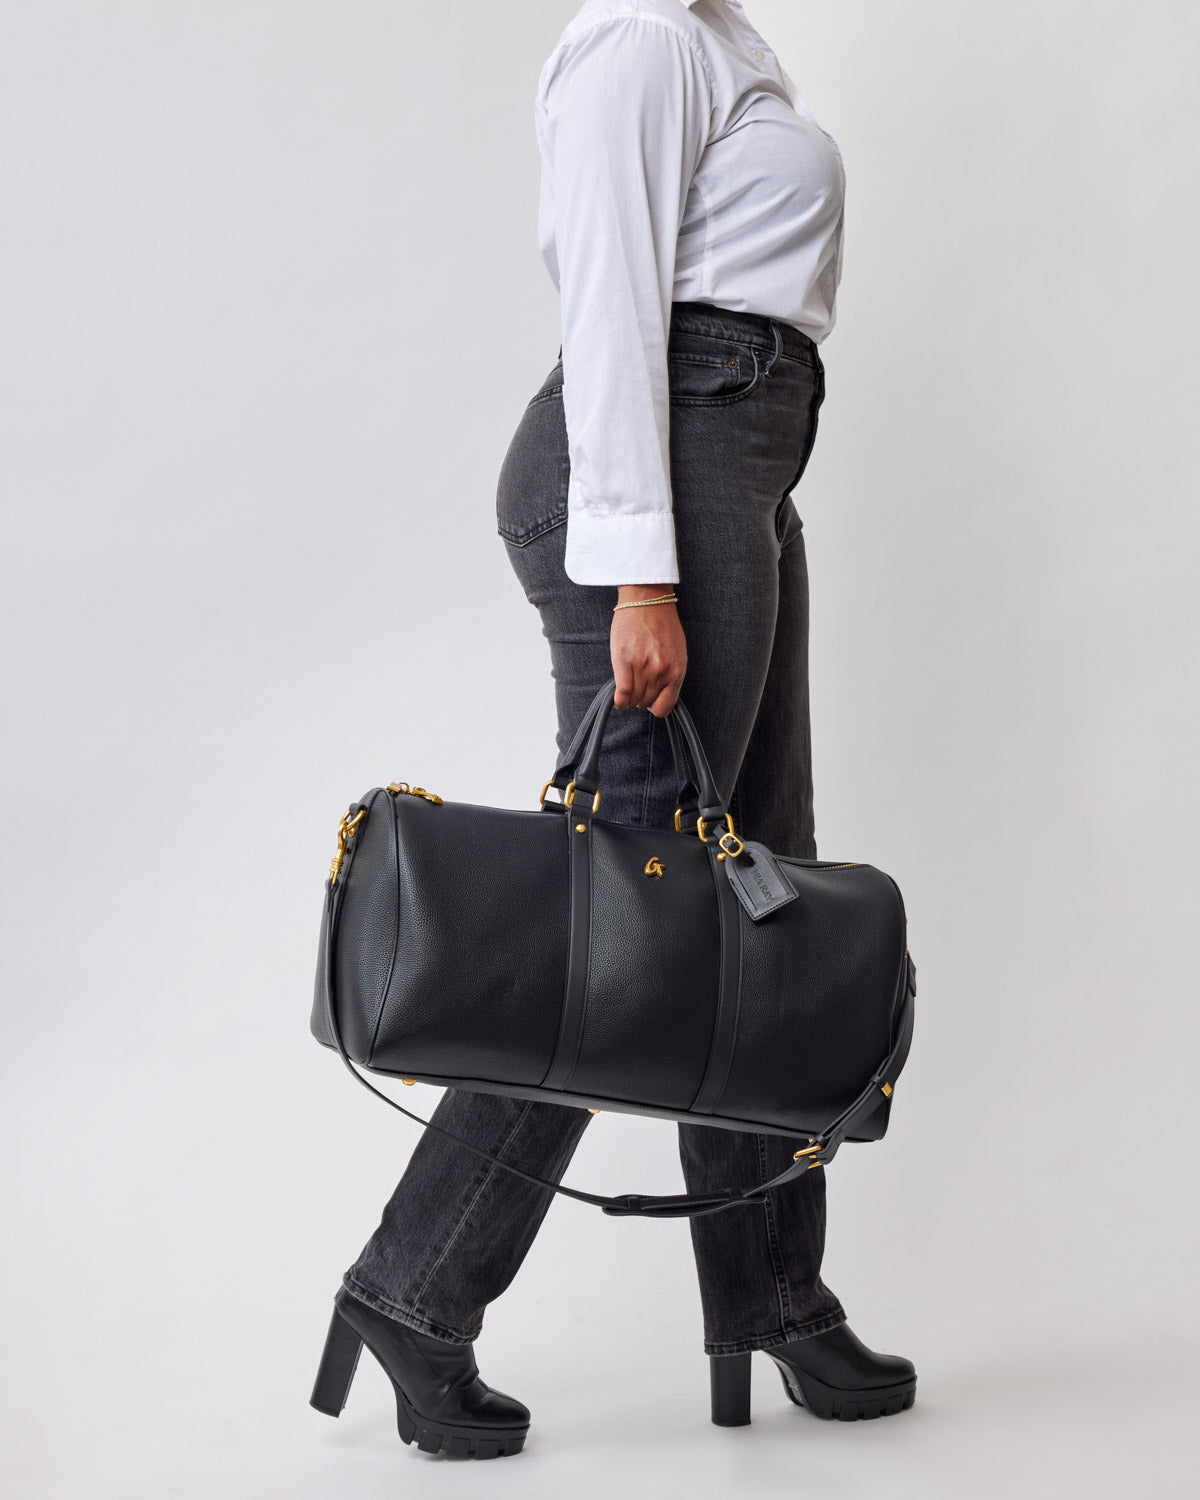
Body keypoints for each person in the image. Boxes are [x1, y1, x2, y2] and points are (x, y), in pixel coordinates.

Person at [310, 0, 915, 1460]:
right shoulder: (640, 39)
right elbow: (611, 296)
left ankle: (772, 1296)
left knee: (760, 890)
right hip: (661, 459)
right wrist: (641, 569)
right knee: (626, 925)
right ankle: (416, 1289)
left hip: (740, 453)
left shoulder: (721, 39)